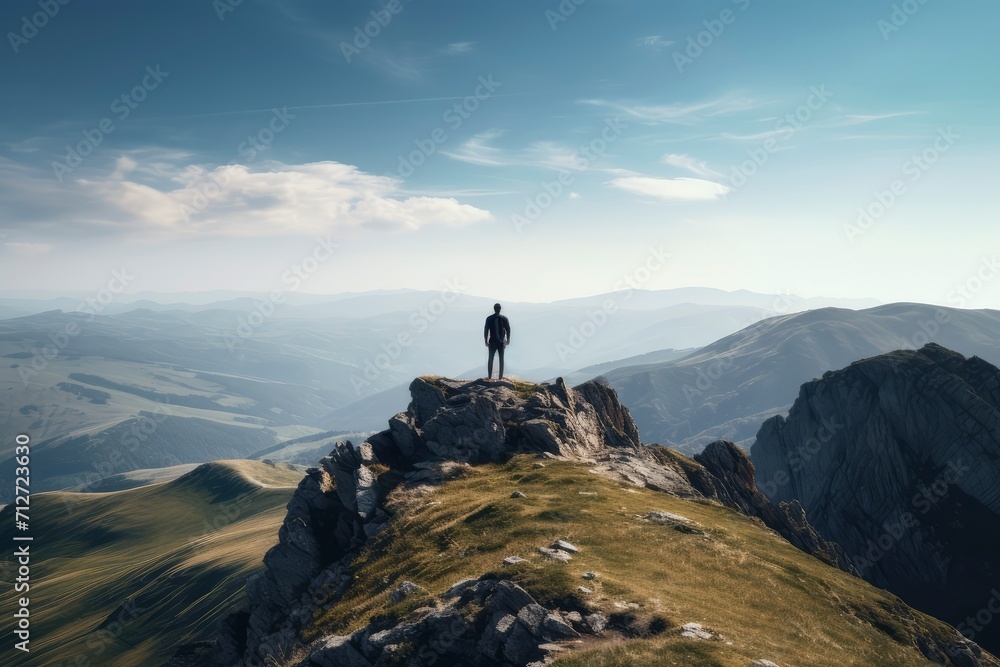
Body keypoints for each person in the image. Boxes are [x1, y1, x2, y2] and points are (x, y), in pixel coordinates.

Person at [484, 303, 511, 380]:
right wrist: (508, 339)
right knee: (501, 359)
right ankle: (500, 377)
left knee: (490, 359)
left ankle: (489, 376)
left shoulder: (489, 318)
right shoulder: (504, 318)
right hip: (501, 342)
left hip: (492, 342)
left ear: (494, 309)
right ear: (500, 309)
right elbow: (508, 330)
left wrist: (485, 340)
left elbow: (486, 330)